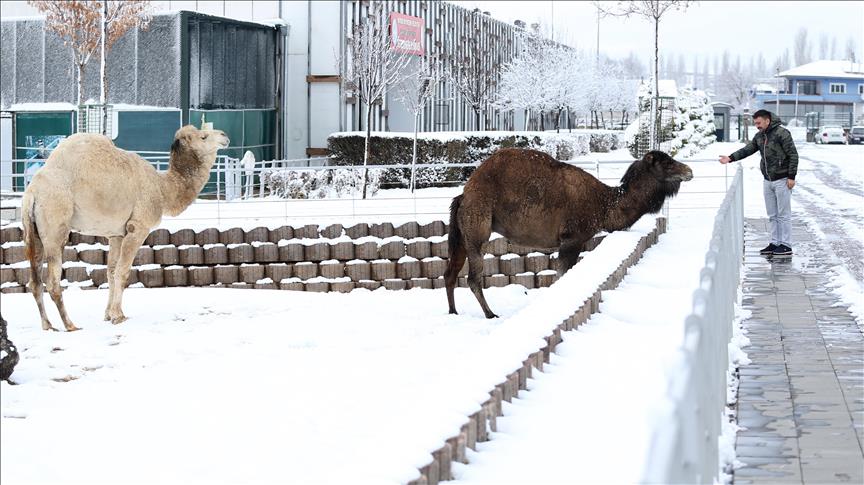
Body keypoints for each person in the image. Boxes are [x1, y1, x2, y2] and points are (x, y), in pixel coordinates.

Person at [720, 109, 798, 256]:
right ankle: (775, 243)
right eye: (755, 123)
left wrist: (791, 176)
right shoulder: (759, 136)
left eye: (758, 123)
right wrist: (730, 158)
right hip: (767, 180)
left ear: (767, 121)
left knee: (783, 214)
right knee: (772, 214)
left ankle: (786, 245)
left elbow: (793, 155)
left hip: (782, 179)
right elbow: (748, 150)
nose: (756, 125)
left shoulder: (782, 133)